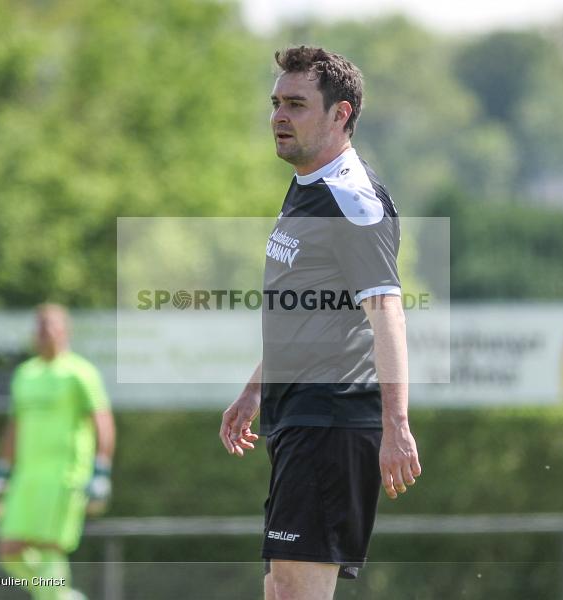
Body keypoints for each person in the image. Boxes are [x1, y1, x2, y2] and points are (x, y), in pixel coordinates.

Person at [220, 46, 422, 600]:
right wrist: (255, 389)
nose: (279, 117)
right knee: (281, 591)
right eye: (276, 103)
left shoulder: (352, 201)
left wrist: (396, 424)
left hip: (331, 418)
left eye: (297, 105)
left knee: (293, 594)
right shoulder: (308, 184)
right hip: (298, 416)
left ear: (342, 115)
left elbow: (387, 315)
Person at [0, 304, 115, 600]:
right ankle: (63, 597)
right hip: (26, 477)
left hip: (64, 476)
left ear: (65, 332)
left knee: (48, 548)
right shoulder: (25, 374)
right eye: (39, 326)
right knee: (8, 550)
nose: (44, 332)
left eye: (50, 326)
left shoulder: (80, 373)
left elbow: (103, 422)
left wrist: (101, 470)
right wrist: (1, 471)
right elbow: (14, 427)